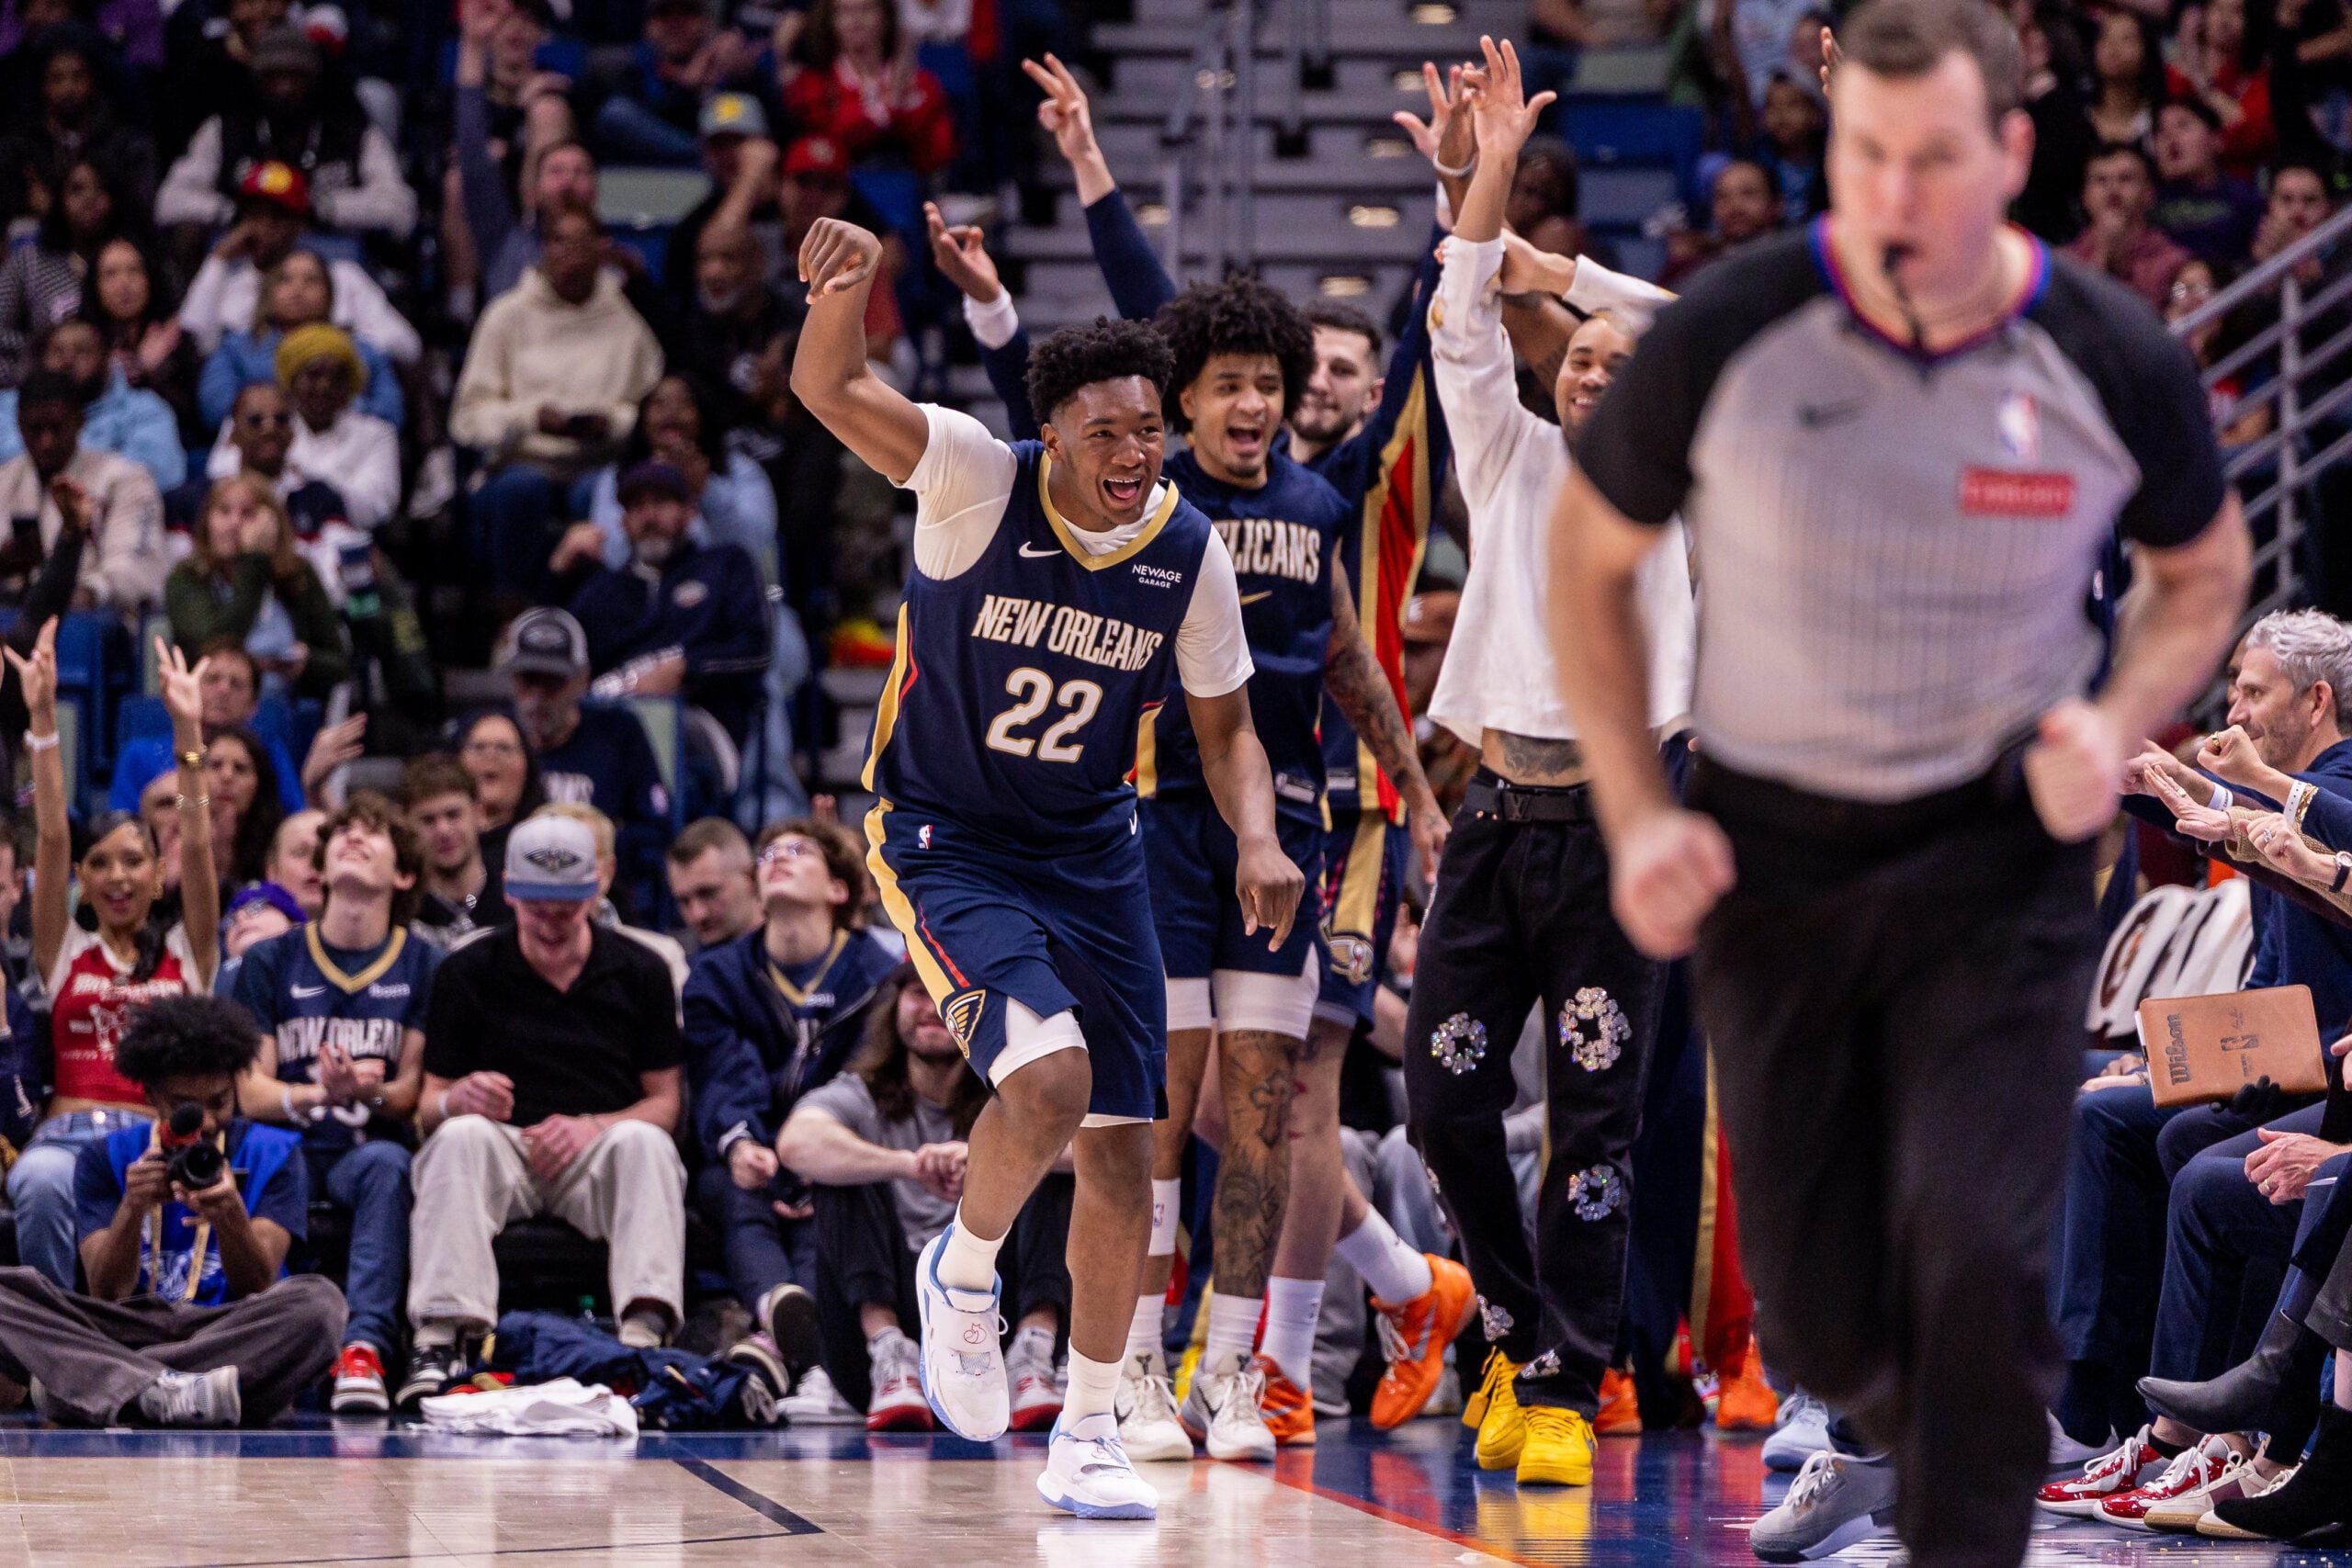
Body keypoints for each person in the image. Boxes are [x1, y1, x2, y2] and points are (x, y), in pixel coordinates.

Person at [1551, 3, 2252, 1562]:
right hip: (1777, 856)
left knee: (1984, 1268)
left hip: (1995, 861)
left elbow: (2204, 572)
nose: (1897, 197)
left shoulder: (2101, 346)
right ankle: (1883, 1424)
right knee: (1819, 1295)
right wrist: (1634, 804)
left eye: (1935, 158)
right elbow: (1588, 559)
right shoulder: (1735, 328)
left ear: (2009, 152)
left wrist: (2113, 713)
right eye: (1867, 157)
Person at [790, 212, 1296, 1518]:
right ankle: (962, 1278)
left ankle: (1084, 1427)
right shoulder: (972, 474)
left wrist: (1257, 832)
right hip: (946, 839)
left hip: (1093, 850)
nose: (1137, 455)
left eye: (1150, 430)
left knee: (1131, 1147)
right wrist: (845, 291)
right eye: (1110, 433)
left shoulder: (1190, 550)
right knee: (1054, 1078)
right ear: (1055, 432)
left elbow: (1229, 725)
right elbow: (826, 386)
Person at [1406, 38, 1697, 1492]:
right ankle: (1516, 1331)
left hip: (1618, 823)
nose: (1589, 366)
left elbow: (1690, 324)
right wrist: (1485, 195)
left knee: (1595, 1121)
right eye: (1575, 357)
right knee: (1443, 1102)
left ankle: (1578, 1381)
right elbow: (1459, 317)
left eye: (1611, 361)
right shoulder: (1508, 457)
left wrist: (1538, 249)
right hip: (1495, 812)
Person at [1099, 274, 1444, 1462]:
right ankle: (1140, 1362)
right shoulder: (1143, 501)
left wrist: (1422, 788)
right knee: (1161, 1105)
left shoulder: (1310, 503)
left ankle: (1237, 1371)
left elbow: (1347, 654)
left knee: (1260, 1110)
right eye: (1228, 384)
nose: (1252, 403)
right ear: (1182, 399)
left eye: (1268, 384)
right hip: (1159, 821)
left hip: (1286, 831)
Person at [400, 813, 687, 1405]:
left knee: (647, 1145)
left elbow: (665, 1102)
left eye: (566, 908)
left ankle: (642, 1337)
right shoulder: (466, 969)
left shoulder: (642, 970)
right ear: (509, 892)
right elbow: (428, 1105)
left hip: (597, 1152)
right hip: (504, 1150)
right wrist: (459, 1099)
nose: (552, 925)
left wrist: (594, 1127)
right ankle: (443, 1336)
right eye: (537, 909)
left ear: (595, 892)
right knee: (456, 1139)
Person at [0, 993, 343, 1426]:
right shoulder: (105, 1157)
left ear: (236, 1083)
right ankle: (180, 1390)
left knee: (320, 1304)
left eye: (219, 1101)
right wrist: (132, 1208)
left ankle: (111, 1384)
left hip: (231, 1324)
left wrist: (231, 1215)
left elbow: (257, 1284)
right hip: (128, 1325)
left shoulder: (274, 1152)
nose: (206, 1121)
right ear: (152, 1096)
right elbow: (109, 1292)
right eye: (186, 1106)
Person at [6, 622, 219, 1291]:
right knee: (36, 1180)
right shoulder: (64, 949)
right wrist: (42, 717)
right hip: (66, 1137)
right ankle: (56, 1341)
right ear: (82, 882)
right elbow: (48, 831)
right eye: (100, 864)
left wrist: (188, 732)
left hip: (159, 1139)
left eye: (135, 861)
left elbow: (200, 842)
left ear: (160, 875)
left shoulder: (190, 950)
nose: (119, 875)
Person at [777, 965, 1074, 1431]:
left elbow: (1092, 1151)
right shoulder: (860, 1094)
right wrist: (908, 1164)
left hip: (992, 1325)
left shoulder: (1013, 1101)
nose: (934, 1008)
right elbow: (796, 1143)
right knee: (838, 1173)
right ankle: (890, 1354)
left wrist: (988, 1158)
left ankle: (1032, 1355)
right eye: (919, 993)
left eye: (949, 995)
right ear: (894, 1007)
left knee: (1051, 1164)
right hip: (877, 1333)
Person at [233, 792, 436, 1415]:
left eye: (373, 834)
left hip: (361, 1152)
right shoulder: (271, 959)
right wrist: (320, 1092)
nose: (352, 837)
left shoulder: (425, 959)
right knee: (266, 1152)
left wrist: (368, 1090)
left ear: (402, 874)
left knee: (386, 1163)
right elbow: (249, 1089)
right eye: (342, 830)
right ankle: (271, 1345)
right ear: (319, 868)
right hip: (290, 1143)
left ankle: (364, 1347)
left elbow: (416, 1093)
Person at [684, 817, 899, 1403]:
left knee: (832, 1197)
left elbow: (868, 1082)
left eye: (797, 851)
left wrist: (818, 1154)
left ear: (837, 889)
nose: (776, 858)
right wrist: (742, 1142)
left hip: (835, 1150)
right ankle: (778, 1310)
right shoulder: (717, 976)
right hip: (745, 1152)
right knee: (738, 1189)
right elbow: (724, 1075)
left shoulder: (879, 975)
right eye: (768, 852)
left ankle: (778, 1345)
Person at [451, 205, 664, 610]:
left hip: (600, 462)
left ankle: (607, 611)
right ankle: (509, 616)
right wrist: (531, 418)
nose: (571, 254)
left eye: (583, 243)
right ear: (544, 249)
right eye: (560, 242)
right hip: (519, 462)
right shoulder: (506, 316)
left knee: (602, 492)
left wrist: (612, 424)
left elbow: (652, 408)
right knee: (522, 489)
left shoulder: (627, 320)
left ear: (602, 250)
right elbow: (468, 418)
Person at [562, 459, 771, 753]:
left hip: (699, 722)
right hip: (610, 719)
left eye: (661, 502)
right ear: (623, 522)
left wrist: (686, 668)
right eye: (637, 507)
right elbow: (560, 655)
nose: (649, 516)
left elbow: (755, 650)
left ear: (689, 512)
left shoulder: (726, 566)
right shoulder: (602, 589)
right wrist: (557, 572)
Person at [154, 24, 416, 241]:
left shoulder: (351, 132)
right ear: (257, 81)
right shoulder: (225, 131)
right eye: (274, 77)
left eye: (295, 76)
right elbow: (169, 201)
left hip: (335, 265)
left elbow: (400, 209)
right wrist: (239, 213)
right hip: (245, 259)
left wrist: (319, 208)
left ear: (314, 80)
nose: (285, 89)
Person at [497, 608, 670, 917]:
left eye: (552, 682)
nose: (537, 697)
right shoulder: (493, 737)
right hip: (509, 899)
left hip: (602, 898)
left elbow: (656, 831)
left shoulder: (619, 732)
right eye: (527, 681)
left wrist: (592, 846)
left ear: (582, 679)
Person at [175, 161, 421, 363]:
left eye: (277, 218)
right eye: (255, 215)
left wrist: (330, 343)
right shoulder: (230, 283)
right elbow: (194, 343)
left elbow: (407, 345)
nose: (263, 228)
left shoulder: (344, 277)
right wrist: (218, 259)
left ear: (299, 224)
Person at [164, 475, 348, 703]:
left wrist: (307, 663)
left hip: (288, 708)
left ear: (272, 524)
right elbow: (216, 645)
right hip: (209, 711)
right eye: (224, 511)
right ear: (207, 521)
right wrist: (254, 562)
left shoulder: (297, 574)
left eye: (248, 514)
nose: (234, 523)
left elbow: (340, 664)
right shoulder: (186, 577)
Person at [0, 367, 164, 610]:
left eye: (56, 428)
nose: (46, 442)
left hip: (96, 620)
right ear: (20, 426)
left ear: (79, 421)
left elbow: (136, 566)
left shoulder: (125, 478)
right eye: (35, 429)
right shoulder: (5, 479)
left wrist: (90, 592)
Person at [197, 249, 404, 434]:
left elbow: (392, 413)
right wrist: (286, 410)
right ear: (269, 291)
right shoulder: (237, 349)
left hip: (347, 455)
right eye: (285, 280)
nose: (297, 290)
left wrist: (336, 408)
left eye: (311, 280)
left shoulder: (361, 350)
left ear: (330, 293)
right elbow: (215, 410)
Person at [107, 642, 310, 814]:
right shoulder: (139, 755)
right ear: (189, 687)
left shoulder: (269, 755)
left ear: (253, 706)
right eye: (212, 679)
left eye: (236, 684)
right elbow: (120, 827)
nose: (223, 690)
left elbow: (290, 824)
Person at [0, 154, 140, 389]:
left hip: (121, 385)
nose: (89, 199)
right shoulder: (30, 260)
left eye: (100, 189)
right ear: (59, 200)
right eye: (77, 190)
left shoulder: (135, 258)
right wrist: (47, 350)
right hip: (41, 382)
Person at [0, 315, 185, 490]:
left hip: (115, 510)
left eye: (81, 351)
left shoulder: (146, 409)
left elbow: (159, 473)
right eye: (58, 351)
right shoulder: (9, 407)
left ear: (105, 359)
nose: (68, 361)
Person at [778, 0, 956, 178]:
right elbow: (827, 147)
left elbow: (939, 153)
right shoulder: (815, 84)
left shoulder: (922, 83)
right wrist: (892, 104)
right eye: (844, 12)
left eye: (867, 9)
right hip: (840, 189)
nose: (856, 20)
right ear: (831, 22)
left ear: (886, 17)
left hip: (912, 185)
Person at [84, 236, 201, 448]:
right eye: (110, 274)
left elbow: (195, 419)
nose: (124, 284)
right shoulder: (82, 343)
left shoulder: (176, 339)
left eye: (134, 271)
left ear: (151, 278)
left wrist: (149, 375)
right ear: (95, 285)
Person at [2066, 141, 2195, 310]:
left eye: (2125, 179)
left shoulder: (2175, 264)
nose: (2113, 190)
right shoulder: (2062, 264)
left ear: (2149, 193)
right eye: (2101, 180)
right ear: (2085, 196)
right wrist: (2103, 253)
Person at [402, 754, 503, 945]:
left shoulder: (513, 898)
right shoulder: (399, 906)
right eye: (428, 820)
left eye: (453, 815)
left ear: (479, 815)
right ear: (408, 827)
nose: (443, 831)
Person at [2154, 96, 2265, 265]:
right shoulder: (2147, 203)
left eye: (2183, 125)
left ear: (2216, 140)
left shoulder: (2245, 199)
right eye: (2161, 129)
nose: (2170, 136)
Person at [205, 725, 288, 890]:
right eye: (215, 765)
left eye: (240, 768)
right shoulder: (177, 835)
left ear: (259, 783)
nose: (226, 776)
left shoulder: (279, 839)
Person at [664, 817, 759, 953]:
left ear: (750, 878)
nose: (698, 914)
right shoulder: (681, 964)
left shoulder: (793, 955)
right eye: (684, 901)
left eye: (708, 893)